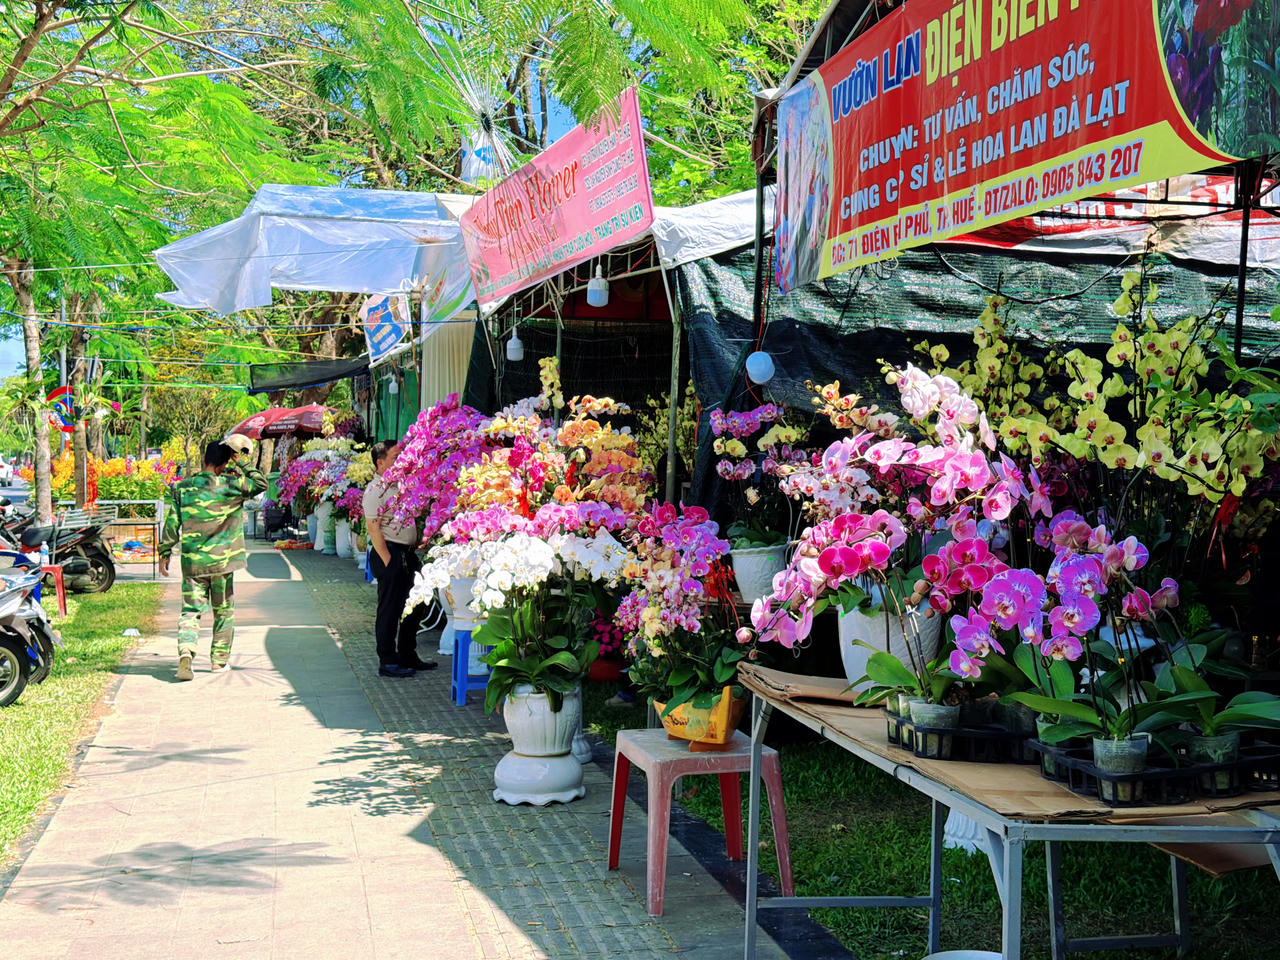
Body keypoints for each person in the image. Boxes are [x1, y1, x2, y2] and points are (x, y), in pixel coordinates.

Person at [159, 439, 267, 681]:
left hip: (193, 564)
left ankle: (186, 652)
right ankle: (218, 662)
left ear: (203, 460)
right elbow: (261, 483)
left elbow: (172, 523)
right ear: (224, 464)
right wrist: (243, 462)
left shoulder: (182, 488)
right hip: (222, 563)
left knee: (190, 611)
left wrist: (164, 552)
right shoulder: (233, 485)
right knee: (223, 612)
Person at [363, 440, 436, 678]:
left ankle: (407, 654)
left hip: (407, 553)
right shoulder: (375, 491)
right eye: (396, 458)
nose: (401, 461)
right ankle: (388, 660)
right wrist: (387, 560)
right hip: (390, 554)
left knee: (416, 604)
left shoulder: (401, 485)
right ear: (380, 463)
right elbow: (373, 528)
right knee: (390, 609)